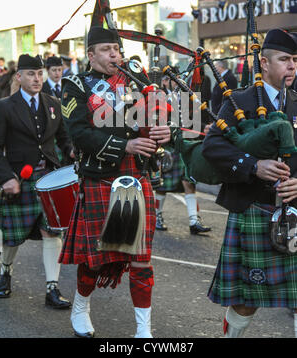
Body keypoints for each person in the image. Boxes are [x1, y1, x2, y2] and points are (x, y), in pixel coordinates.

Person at [59, 26, 171, 338]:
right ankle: (81, 306)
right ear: (90, 55)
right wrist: (125, 146)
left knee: (141, 260)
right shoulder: (75, 85)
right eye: (106, 49)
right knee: (96, 260)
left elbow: (159, 116)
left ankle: (143, 331)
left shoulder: (136, 79)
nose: (114, 54)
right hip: (100, 177)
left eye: (116, 49)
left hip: (136, 176)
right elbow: (79, 133)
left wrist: (166, 132)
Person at [202, 28, 297, 338]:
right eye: (285, 59)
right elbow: (214, 146)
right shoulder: (239, 100)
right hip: (253, 209)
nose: (292, 66)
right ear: (265, 63)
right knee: (247, 301)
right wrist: (254, 166)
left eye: (296, 60)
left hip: (295, 212)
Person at [0, 54, 74, 309]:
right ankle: (5, 271)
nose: (37, 78)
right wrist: (7, 178)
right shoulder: (5, 106)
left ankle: (52, 287)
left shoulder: (53, 103)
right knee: (13, 234)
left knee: (51, 231)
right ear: (19, 77)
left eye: (40, 74)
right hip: (20, 178)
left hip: (49, 178)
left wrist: (74, 152)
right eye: (31, 74)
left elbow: (64, 139)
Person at [155, 72, 211, 234]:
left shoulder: (188, 99)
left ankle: (194, 221)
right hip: (169, 146)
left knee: (189, 182)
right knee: (163, 185)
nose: (179, 84)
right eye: (174, 81)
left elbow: (193, 121)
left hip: (186, 146)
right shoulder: (161, 98)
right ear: (166, 82)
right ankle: (157, 216)